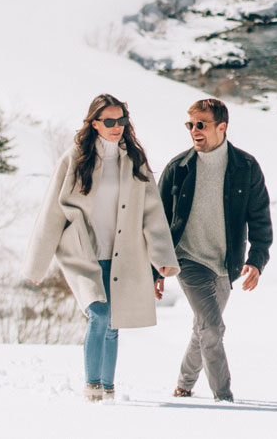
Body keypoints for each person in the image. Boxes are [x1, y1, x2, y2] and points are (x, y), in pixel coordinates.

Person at [24, 94, 178, 402]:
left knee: (113, 322)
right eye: (109, 121)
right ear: (95, 123)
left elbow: (152, 212)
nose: (117, 126)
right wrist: (37, 265)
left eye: (121, 120)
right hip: (83, 253)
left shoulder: (135, 160)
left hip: (124, 254)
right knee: (100, 314)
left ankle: (108, 388)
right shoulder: (75, 158)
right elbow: (51, 211)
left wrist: (161, 258)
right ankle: (92, 386)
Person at [160, 97, 272, 402]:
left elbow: (260, 217)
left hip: (226, 264)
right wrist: (153, 269)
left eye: (201, 125)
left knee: (204, 328)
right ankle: (223, 397)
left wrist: (257, 260)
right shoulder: (178, 168)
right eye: (190, 124)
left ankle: (184, 386)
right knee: (212, 327)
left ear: (221, 127)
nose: (194, 130)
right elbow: (157, 222)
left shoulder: (245, 167)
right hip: (188, 259)